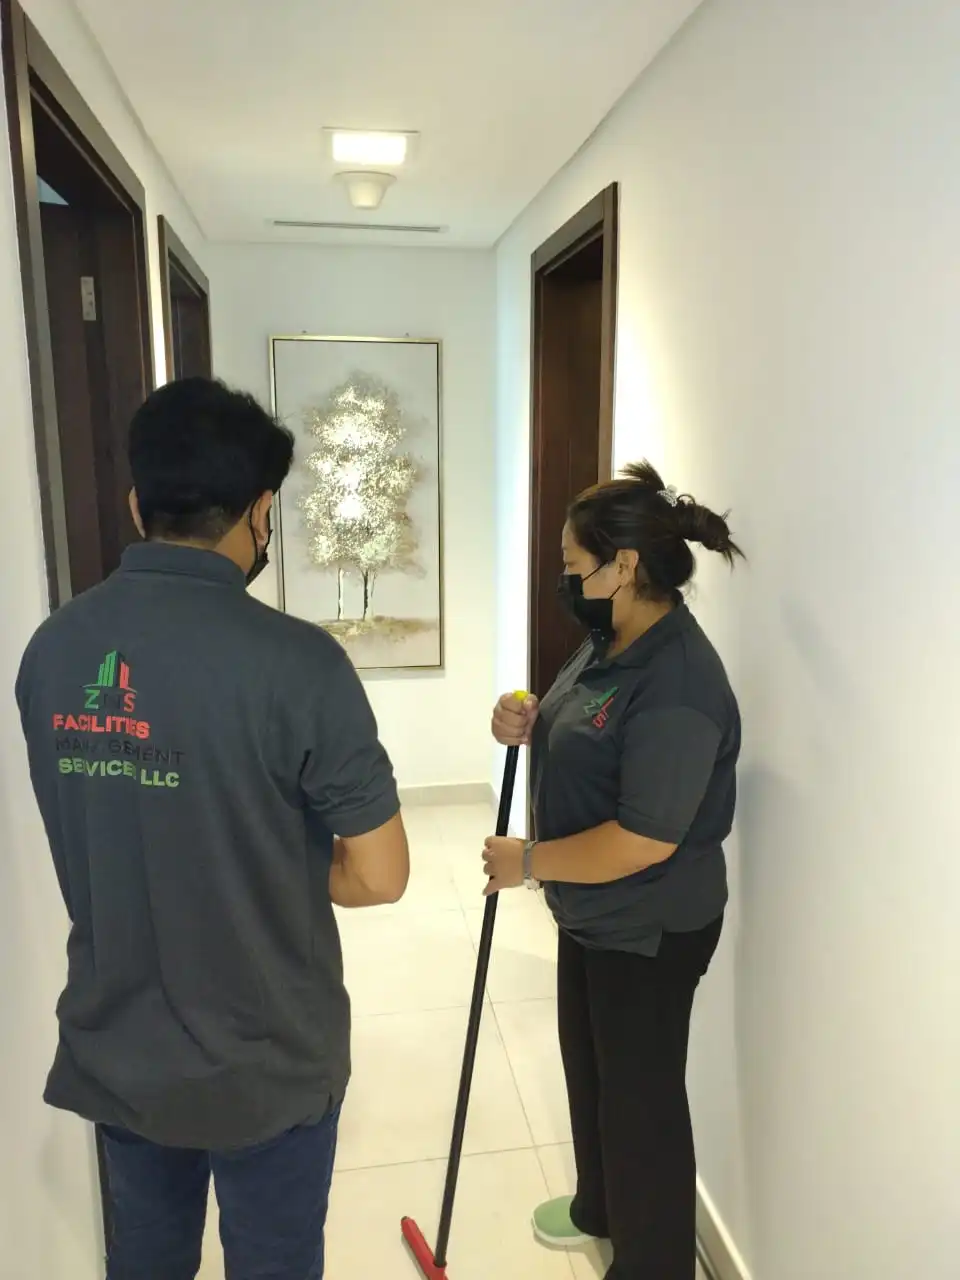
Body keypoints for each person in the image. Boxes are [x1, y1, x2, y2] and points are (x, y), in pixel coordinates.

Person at [16, 377, 409, 1280]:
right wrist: (274, 860)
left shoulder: (54, 650)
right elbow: (381, 874)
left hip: (120, 1045)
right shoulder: (300, 665)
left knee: (146, 1261)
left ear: (136, 503)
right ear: (261, 512)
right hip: (265, 1056)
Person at [484, 462, 742, 1280]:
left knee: (642, 1105)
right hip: (593, 912)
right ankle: (600, 1208)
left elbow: (643, 840)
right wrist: (524, 721)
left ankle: (653, 1263)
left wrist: (528, 862)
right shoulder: (611, 640)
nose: (565, 579)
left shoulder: (679, 682)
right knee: (590, 1069)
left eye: (572, 564)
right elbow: (581, 726)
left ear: (622, 566)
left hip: (650, 925)